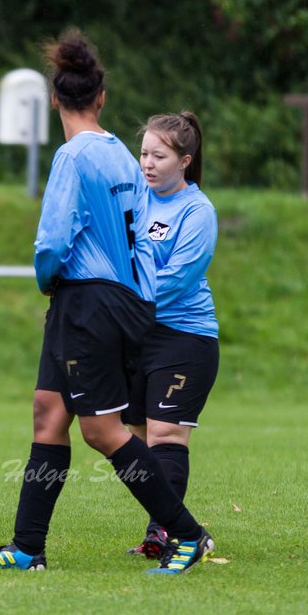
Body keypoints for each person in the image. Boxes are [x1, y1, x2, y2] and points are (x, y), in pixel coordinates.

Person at [0, 29, 213, 575]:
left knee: (102, 430)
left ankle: (186, 535)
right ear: (100, 98)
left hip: (88, 302)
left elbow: (53, 242)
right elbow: (140, 238)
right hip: (111, 300)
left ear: (55, 100)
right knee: (48, 414)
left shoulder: (74, 157)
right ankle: (28, 548)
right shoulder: (123, 154)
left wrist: (47, 280)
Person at [122, 111, 219, 558]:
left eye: (158, 155)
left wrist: (119, 298)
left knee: (166, 435)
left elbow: (177, 278)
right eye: (143, 153)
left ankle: (170, 533)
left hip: (184, 337)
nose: (147, 163)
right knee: (137, 440)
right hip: (136, 333)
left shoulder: (198, 211)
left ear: (185, 160)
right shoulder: (133, 199)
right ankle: (163, 527)